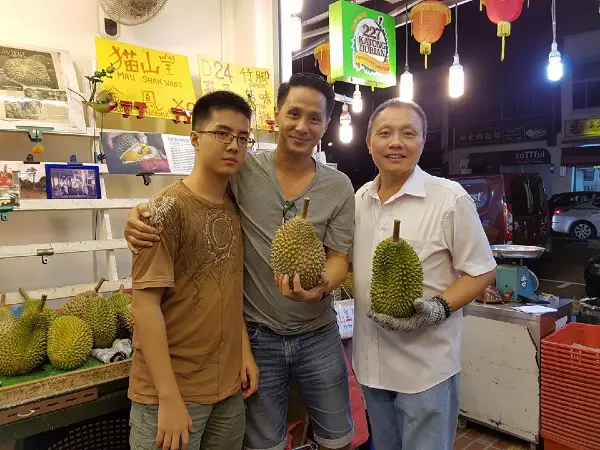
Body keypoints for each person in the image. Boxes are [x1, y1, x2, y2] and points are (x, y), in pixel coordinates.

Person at [124, 73, 356, 450]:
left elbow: (339, 257)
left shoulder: (338, 186)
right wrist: (141, 215)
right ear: (277, 115)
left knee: (338, 436)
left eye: (314, 118)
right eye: (293, 113)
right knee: (265, 442)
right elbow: (193, 190)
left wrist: (321, 286)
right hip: (259, 334)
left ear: (326, 125)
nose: (302, 126)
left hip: (315, 333)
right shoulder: (244, 170)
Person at [351, 98, 497, 450]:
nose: (395, 142)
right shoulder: (359, 199)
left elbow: (482, 272)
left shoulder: (449, 199)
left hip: (425, 369)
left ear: (423, 142)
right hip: (370, 365)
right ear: (369, 142)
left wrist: (439, 307)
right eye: (384, 133)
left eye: (408, 133)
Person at [128, 90, 259, 450]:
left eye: (242, 138)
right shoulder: (165, 211)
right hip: (170, 395)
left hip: (227, 391)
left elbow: (228, 291)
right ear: (195, 139)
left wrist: (243, 352)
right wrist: (168, 397)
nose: (233, 145)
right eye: (222, 133)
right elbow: (145, 306)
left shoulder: (235, 208)